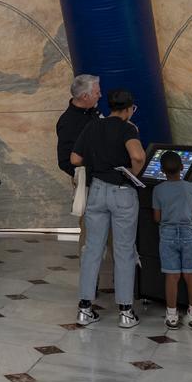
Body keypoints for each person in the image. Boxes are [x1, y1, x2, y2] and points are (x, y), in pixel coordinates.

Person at [73, 89, 145, 328]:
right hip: (122, 192)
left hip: (97, 191)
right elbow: (137, 155)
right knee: (123, 250)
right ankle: (125, 312)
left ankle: (84, 310)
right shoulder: (128, 128)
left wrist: (96, 161)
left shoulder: (93, 126)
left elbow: (74, 158)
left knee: (92, 249)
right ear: (128, 109)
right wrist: (132, 174)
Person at [151, 151, 192, 330]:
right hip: (189, 234)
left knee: (172, 276)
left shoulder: (158, 189)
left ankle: (172, 315)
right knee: (191, 274)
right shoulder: (190, 187)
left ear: (161, 170)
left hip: (167, 235)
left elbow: (157, 217)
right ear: (182, 167)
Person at [57, 75, 101, 229]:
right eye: (97, 93)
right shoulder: (68, 122)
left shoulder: (94, 113)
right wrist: (85, 173)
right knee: (90, 228)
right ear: (85, 96)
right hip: (88, 180)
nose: (100, 96)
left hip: (103, 179)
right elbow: (64, 160)